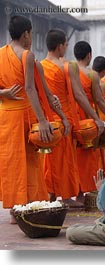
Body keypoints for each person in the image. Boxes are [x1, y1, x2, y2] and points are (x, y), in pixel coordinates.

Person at [0, 16, 66, 220]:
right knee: (28, 163)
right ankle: (24, 207)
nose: (31, 38)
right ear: (25, 34)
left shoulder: (0, 53)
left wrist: (3, 94)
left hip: (5, 117)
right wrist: (43, 120)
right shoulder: (27, 55)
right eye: (31, 34)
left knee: (11, 163)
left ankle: (15, 209)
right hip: (23, 115)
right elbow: (29, 89)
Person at [41, 30, 104, 206]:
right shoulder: (68, 66)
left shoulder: (39, 65)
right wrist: (95, 118)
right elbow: (79, 95)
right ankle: (65, 196)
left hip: (46, 118)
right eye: (66, 45)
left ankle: (50, 195)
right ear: (61, 45)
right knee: (64, 160)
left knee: (49, 158)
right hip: (64, 118)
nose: (66, 48)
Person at [73, 41, 105, 201]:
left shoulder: (67, 69)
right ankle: (81, 193)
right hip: (87, 119)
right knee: (86, 154)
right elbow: (99, 100)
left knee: (72, 154)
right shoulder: (91, 75)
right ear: (89, 56)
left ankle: (69, 191)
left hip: (71, 116)